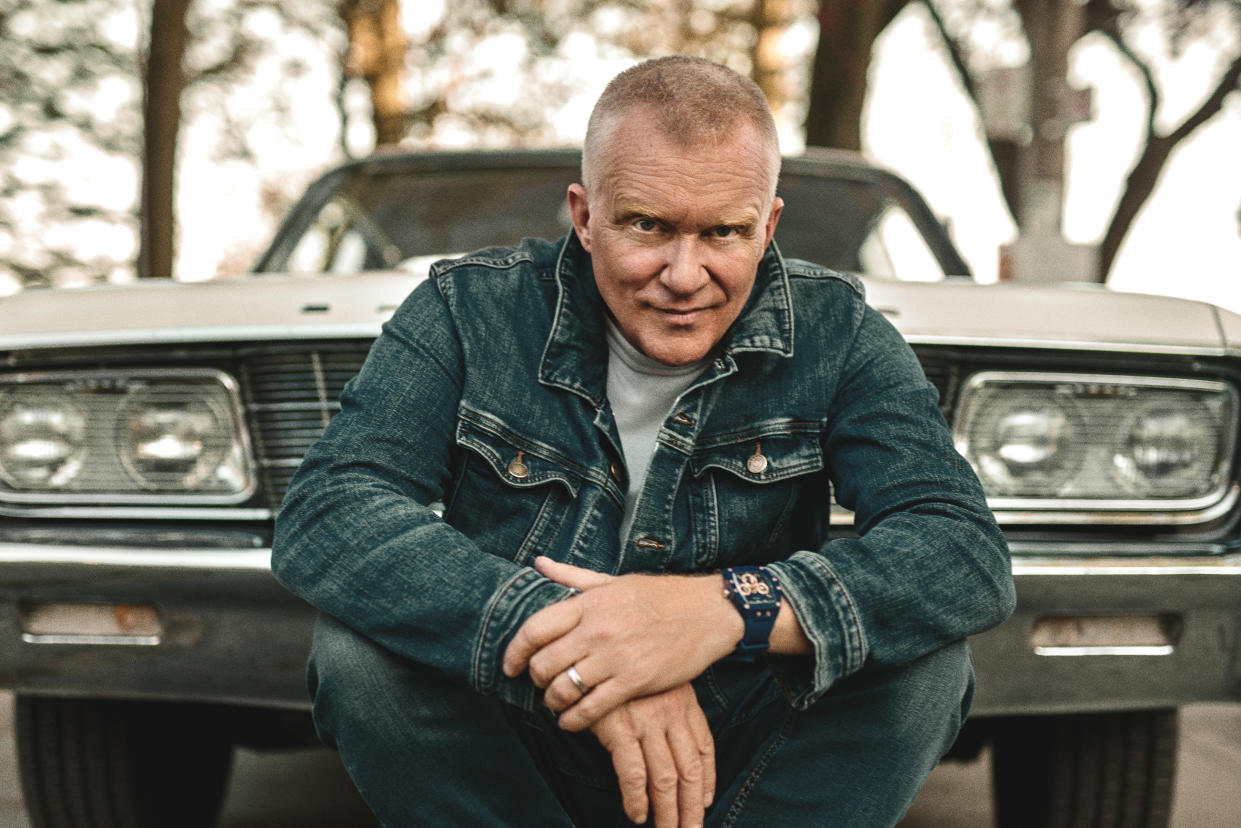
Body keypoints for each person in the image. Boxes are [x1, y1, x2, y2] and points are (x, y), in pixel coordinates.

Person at [272, 55, 1015, 828]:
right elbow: (329, 511)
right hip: (523, 718)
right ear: (584, 215)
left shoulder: (838, 334)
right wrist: (585, 646)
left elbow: (959, 548)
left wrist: (723, 612)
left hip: (740, 718)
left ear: (767, 227)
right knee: (358, 659)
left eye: (723, 232)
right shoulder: (468, 310)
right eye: (647, 225)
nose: (683, 274)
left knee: (926, 667)